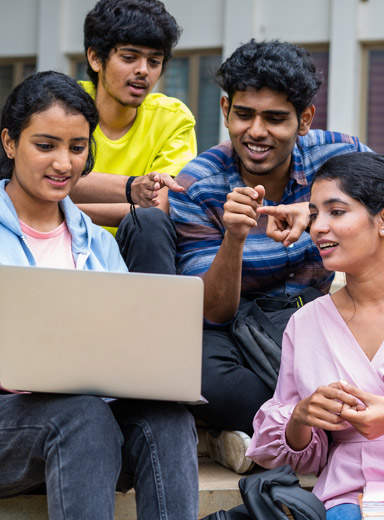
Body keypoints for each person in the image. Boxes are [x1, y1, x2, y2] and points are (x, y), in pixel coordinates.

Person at [0, 70, 198, 520]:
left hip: (86, 432)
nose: (63, 163)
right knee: (83, 416)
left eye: (77, 147)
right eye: (45, 145)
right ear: (10, 143)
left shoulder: (99, 243)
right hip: (15, 427)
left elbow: (122, 350)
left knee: (167, 419)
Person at [169, 39, 372, 474]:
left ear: (305, 120)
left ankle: (263, 435)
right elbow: (214, 313)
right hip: (235, 325)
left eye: (276, 118)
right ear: (225, 110)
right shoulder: (199, 184)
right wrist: (234, 240)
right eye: (244, 115)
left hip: (318, 316)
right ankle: (296, 431)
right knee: (200, 376)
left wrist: (318, 209)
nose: (256, 131)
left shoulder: (338, 157)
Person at [247, 151, 384, 520]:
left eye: (336, 212)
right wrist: (300, 419)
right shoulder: (306, 324)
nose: (318, 227)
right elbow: (299, 455)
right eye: (314, 214)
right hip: (346, 498)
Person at [70, 0, 197, 274]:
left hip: (132, 254)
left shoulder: (173, 119)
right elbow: (28, 182)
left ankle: (155, 315)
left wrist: (62, 207)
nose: (143, 70)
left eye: (154, 61)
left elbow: (156, 209)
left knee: (148, 222)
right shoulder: (62, 106)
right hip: (59, 241)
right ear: (95, 58)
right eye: (129, 58)